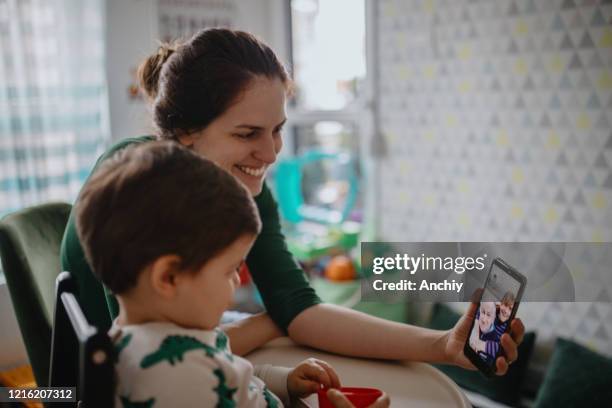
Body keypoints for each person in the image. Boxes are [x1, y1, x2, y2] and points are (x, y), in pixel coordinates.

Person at [60, 28, 524, 379]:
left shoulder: (246, 193)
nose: (272, 152)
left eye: (277, 129)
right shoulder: (131, 185)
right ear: (186, 134)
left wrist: (443, 345)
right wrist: (270, 324)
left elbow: (298, 307)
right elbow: (155, 348)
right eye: (247, 134)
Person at [75, 141, 347, 407]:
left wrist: (284, 380)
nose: (237, 281)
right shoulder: (179, 379)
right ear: (168, 278)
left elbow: (229, 377)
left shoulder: (150, 341)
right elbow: (212, 382)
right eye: (230, 270)